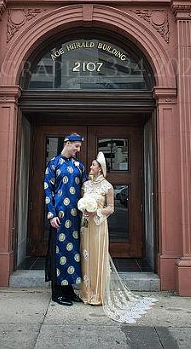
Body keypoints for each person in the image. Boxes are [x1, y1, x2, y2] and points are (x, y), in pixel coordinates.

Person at [79, 152, 155, 322]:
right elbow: (82, 202)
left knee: (98, 257)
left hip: (98, 226)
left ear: (100, 169)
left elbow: (111, 208)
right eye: (91, 165)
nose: (90, 167)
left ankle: (97, 295)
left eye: (93, 165)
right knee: (86, 256)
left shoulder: (108, 187)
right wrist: (84, 210)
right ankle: (86, 292)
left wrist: (96, 212)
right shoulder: (85, 185)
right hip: (85, 226)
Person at [44, 133, 88, 306]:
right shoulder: (53, 164)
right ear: (67, 143)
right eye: (76, 146)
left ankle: (69, 291)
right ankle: (57, 293)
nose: (78, 150)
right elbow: (48, 190)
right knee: (59, 254)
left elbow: (85, 190)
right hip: (60, 217)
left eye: (79, 147)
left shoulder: (80, 166)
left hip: (76, 218)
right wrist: (51, 214)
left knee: (73, 254)